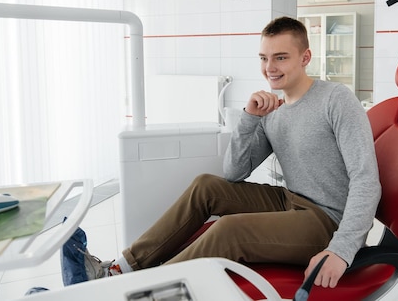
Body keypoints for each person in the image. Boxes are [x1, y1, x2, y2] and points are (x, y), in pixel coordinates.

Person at [65, 16, 381, 289]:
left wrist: (341, 250)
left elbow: (366, 180)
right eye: (264, 58)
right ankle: (119, 268)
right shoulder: (273, 108)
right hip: (290, 200)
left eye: (281, 58)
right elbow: (233, 173)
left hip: (328, 220)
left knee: (230, 230)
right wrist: (250, 118)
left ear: (305, 57)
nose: (269, 68)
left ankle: (146, 289)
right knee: (206, 186)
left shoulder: (336, 100)